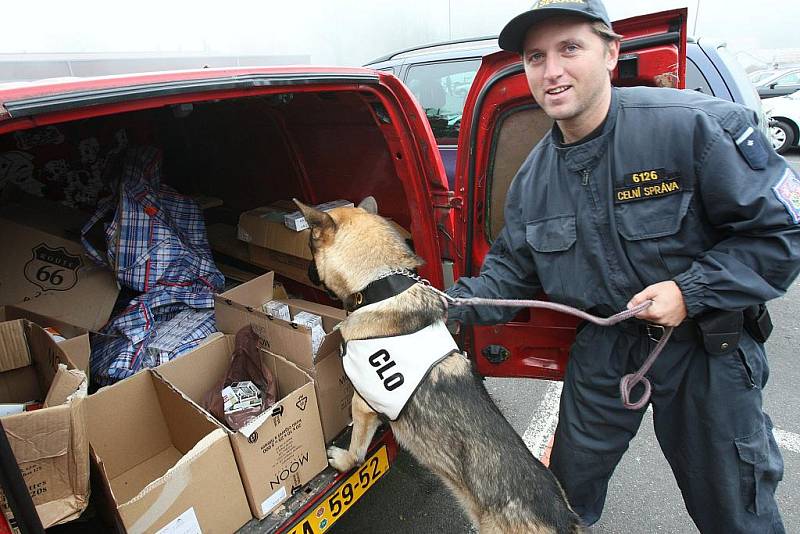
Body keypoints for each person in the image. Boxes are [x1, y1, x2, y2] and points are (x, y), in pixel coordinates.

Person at [445, 1, 800, 532]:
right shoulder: (533, 180)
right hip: (606, 350)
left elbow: (783, 232)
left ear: (611, 52)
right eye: (536, 56)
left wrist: (691, 291)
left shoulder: (694, 128)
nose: (552, 70)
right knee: (562, 496)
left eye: (570, 48)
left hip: (705, 347)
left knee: (734, 511)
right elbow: (508, 277)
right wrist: (436, 307)